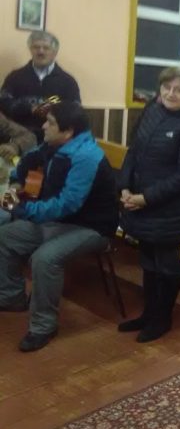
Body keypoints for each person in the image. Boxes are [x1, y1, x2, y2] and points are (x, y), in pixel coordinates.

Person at [0, 102, 118, 352]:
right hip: (59, 222)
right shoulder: (55, 145)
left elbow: (68, 204)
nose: (44, 125)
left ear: (69, 130)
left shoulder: (86, 157)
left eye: (50, 122)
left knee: (45, 258)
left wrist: (24, 210)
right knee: (5, 236)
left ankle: (43, 326)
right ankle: (11, 297)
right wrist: (17, 177)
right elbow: (29, 165)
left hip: (91, 227)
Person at [117, 67, 180, 343]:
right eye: (166, 88)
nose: (171, 93)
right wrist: (123, 186)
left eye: (178, 90)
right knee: (148, 261)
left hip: (169, 208)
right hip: (140, 201)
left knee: (167, 265)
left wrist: (146, 198)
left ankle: (162, 318)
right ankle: (148, 314)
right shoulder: (153, 109)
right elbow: (134, 150)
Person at [0, 31, 80, 140]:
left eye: (46, 48)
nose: (40, 51)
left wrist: (48, 109)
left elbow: (75, 111)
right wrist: (30, 108)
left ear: (55, 52)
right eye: (36, 47)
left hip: (54, 141)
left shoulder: (68, 81)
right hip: (18, 138)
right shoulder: (14, 77)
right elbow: (3, 103)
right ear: (30, 50)